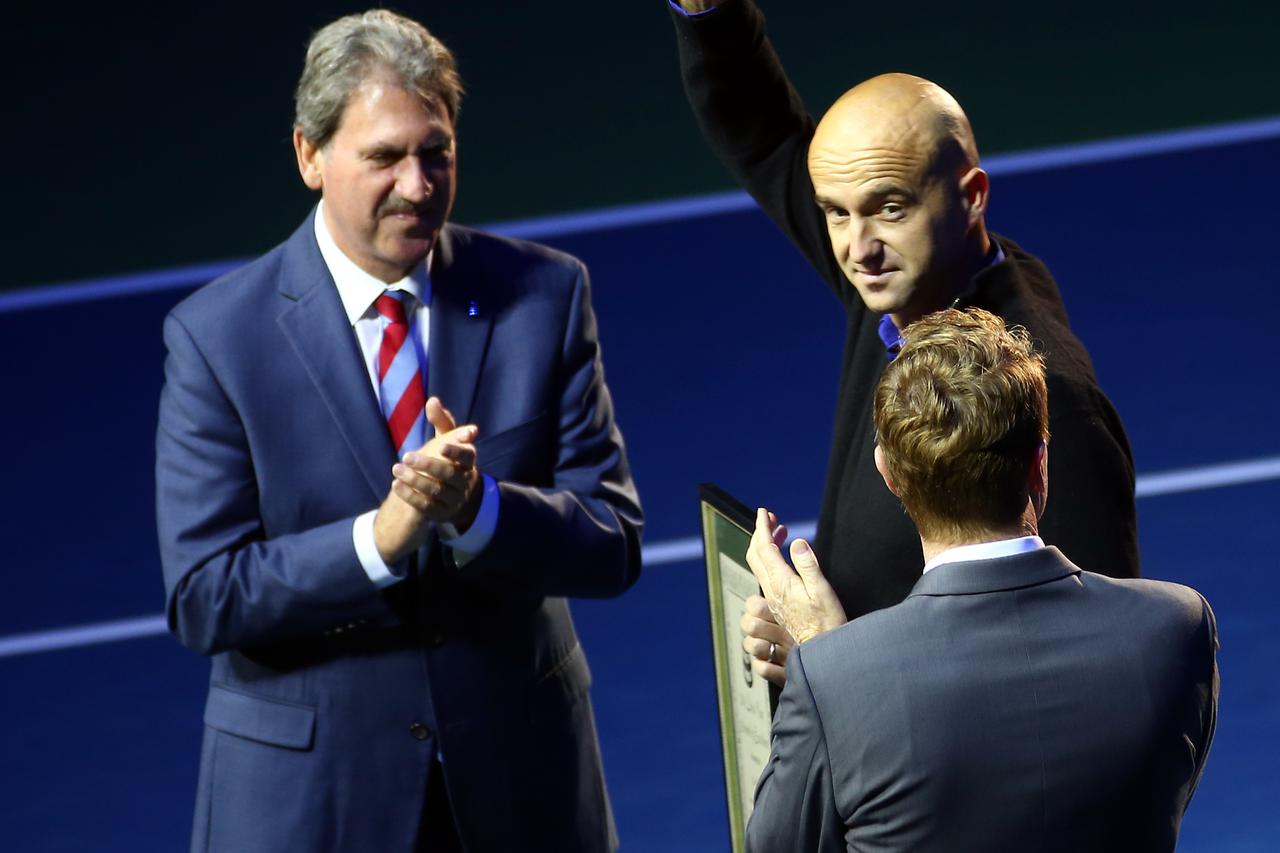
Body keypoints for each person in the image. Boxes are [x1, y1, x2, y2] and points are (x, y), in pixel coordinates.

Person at [155, 10, 641, 852]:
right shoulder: (215, 338)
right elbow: (205, 597)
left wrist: (479, 510)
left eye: (436, 151)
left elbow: (612, 540)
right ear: (310, 155)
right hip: (312, 807)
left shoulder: (547, 295)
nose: (418, 186)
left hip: (521, 795)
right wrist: (380, 539)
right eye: (384, 157)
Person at [668, 0, 1139, 684]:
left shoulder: (1050, 403)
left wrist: (833, 660)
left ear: (971, 197)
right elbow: (766, 138)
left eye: (889, 207)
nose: (857, 249)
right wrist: (709, 13)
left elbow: (1101, 672)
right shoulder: (907, 278)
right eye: (835, 212)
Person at [743, 308, 1218, 852]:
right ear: (1039, 463)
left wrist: (826, 653)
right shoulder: (1177, 625)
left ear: (889, 475)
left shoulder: (830, 676)